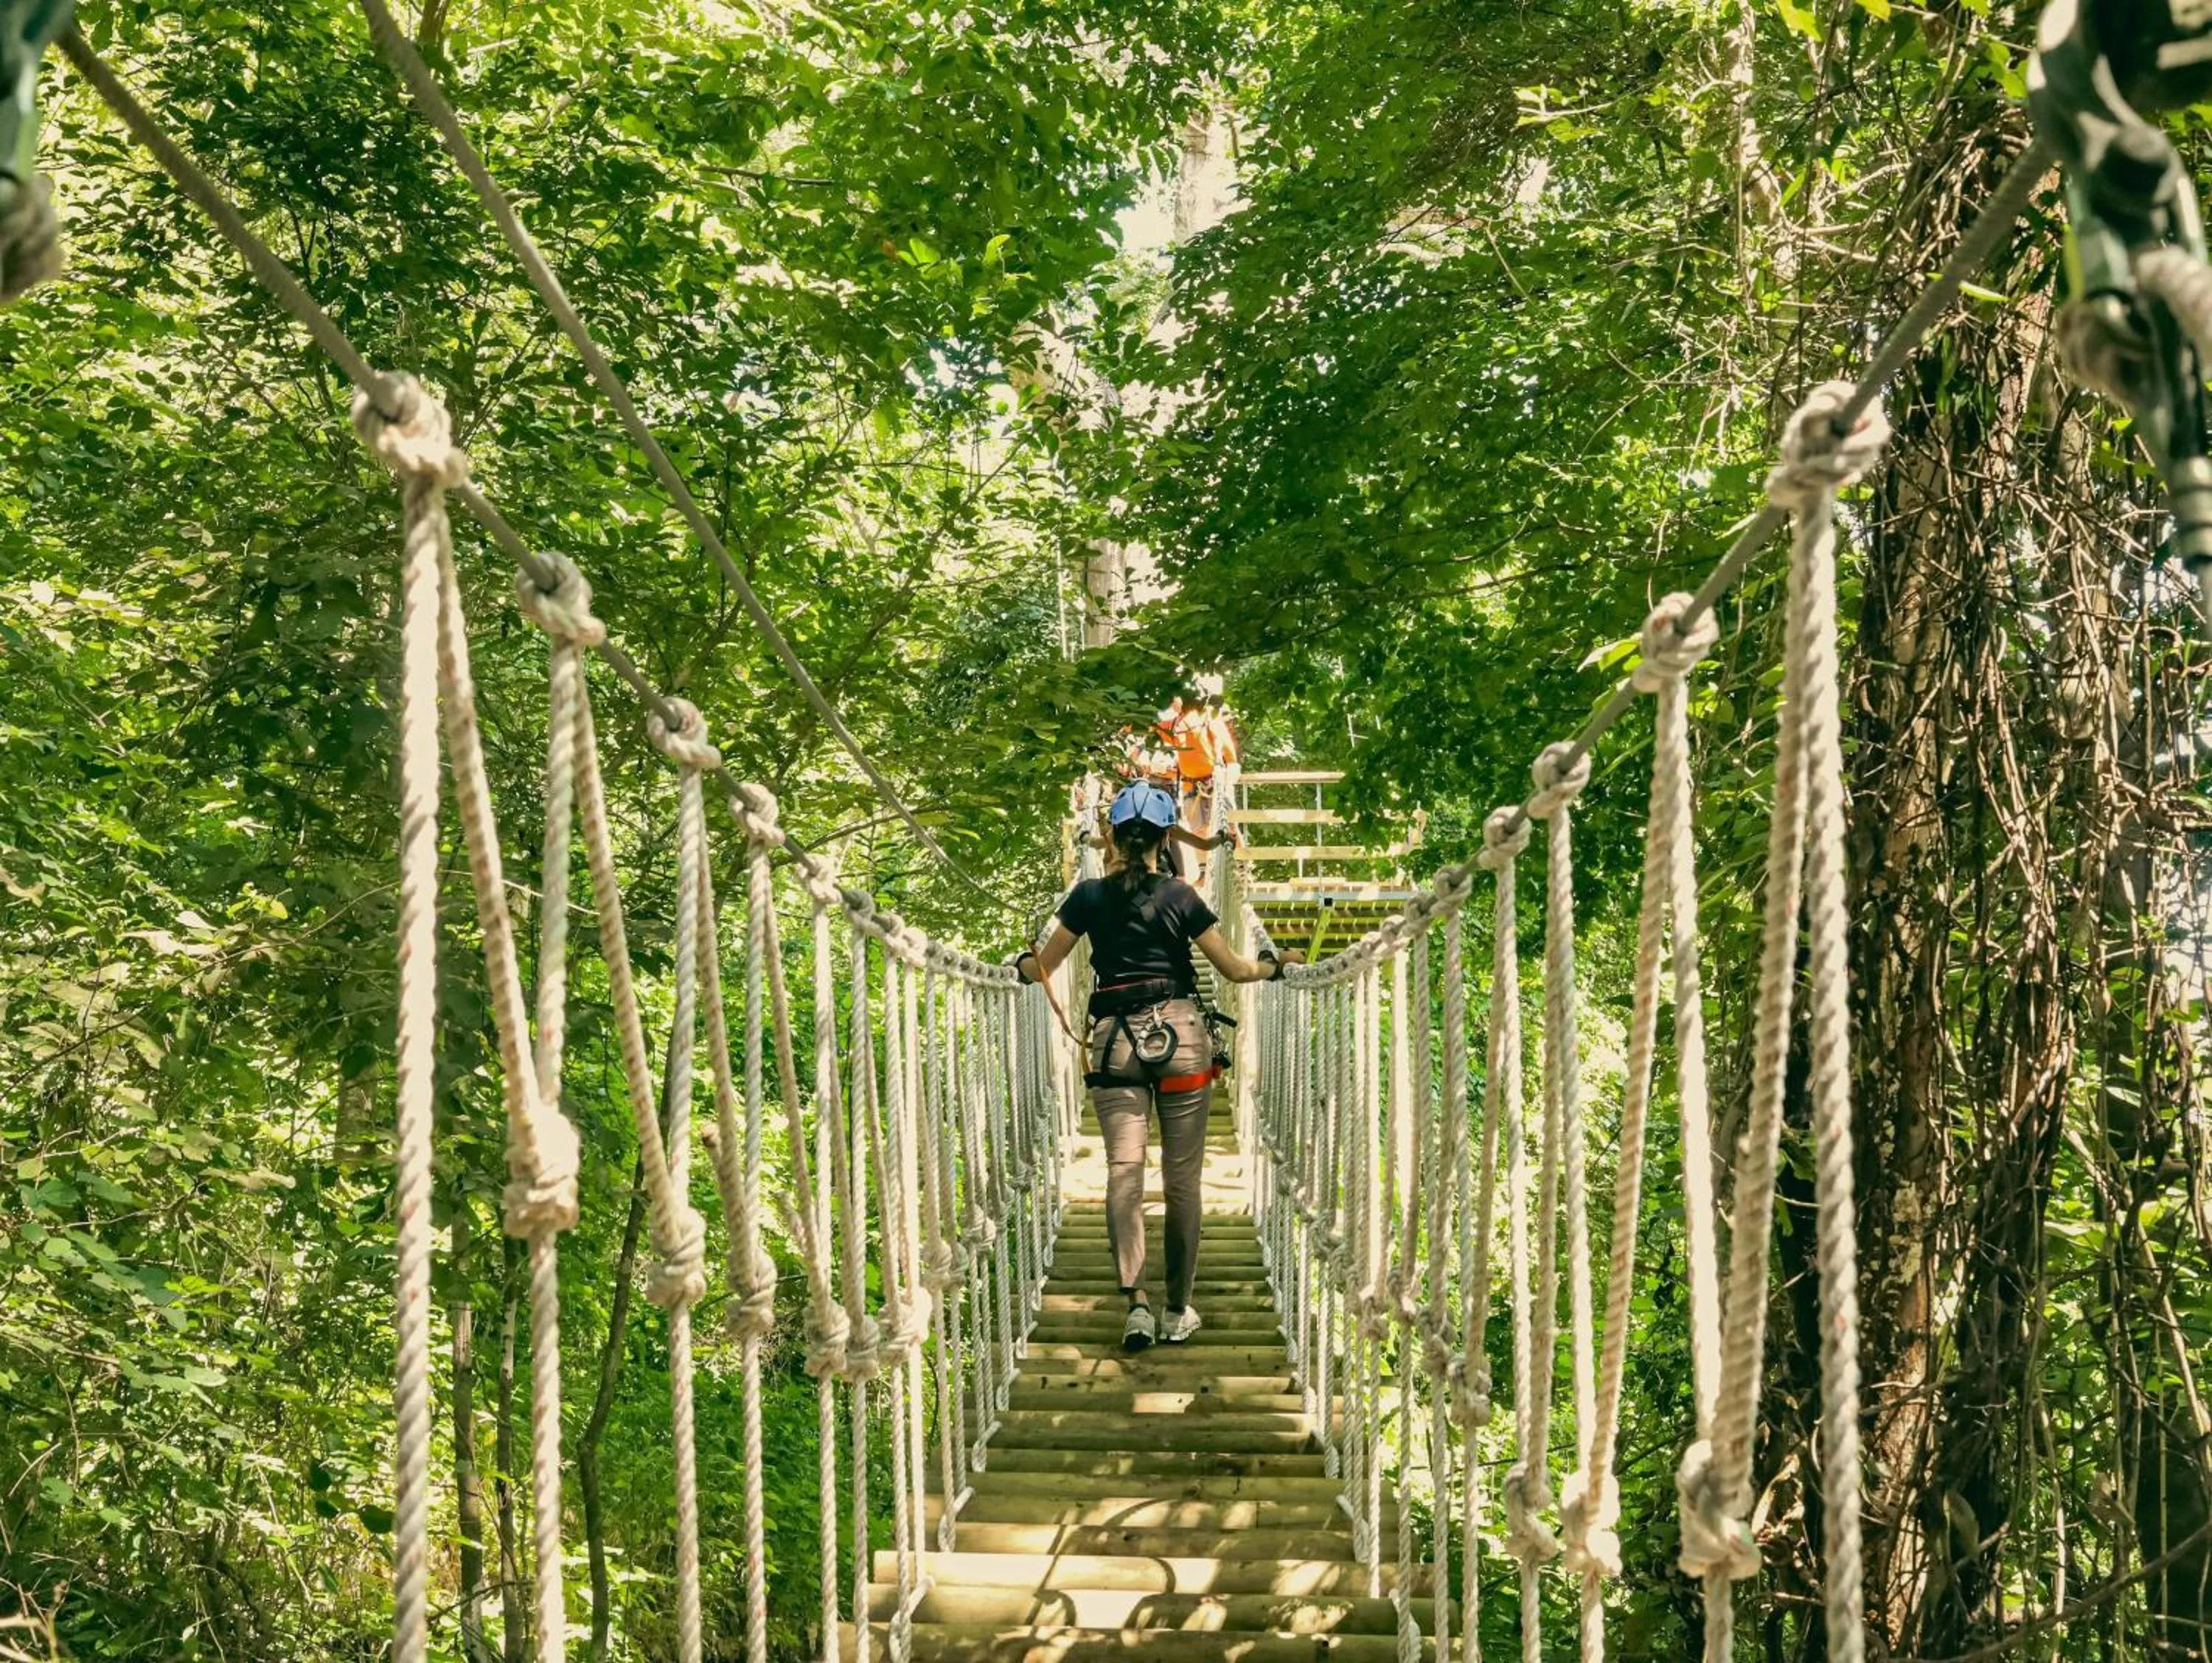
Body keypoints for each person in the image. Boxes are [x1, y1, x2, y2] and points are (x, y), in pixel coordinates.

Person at [1015, 780, 1303, 1351]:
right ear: (1167, 838)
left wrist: (1024, 961)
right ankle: (1178, 1310)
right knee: (1181, 1182)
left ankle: (1138, 1308)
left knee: (1124, 1174)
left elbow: (1041, 970)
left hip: (1114, 1046)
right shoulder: (1183, 898)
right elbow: (1237, 970)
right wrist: (1278, 964)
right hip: (1183, 1044)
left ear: (1112, 837)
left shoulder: (1088, 898)